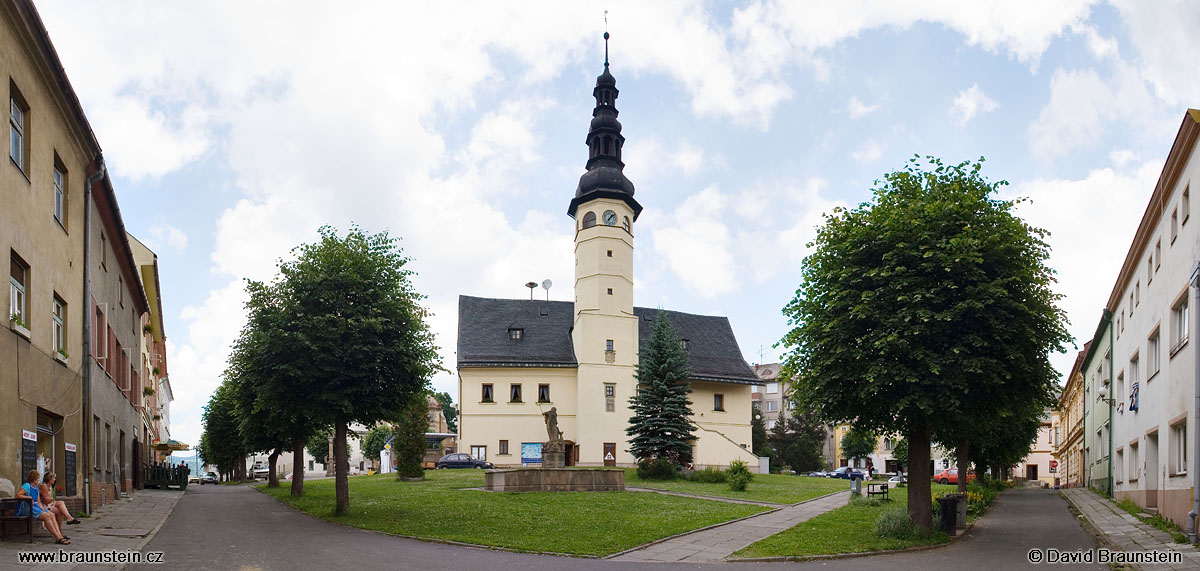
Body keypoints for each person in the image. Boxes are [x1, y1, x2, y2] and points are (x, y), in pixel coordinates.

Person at [15, 470, 69, 544]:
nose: (38, 480)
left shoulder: (36, 488)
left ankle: (60, 536)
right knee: (46, 516)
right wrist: (29, 498)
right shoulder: (27, 485)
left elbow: (38, 501)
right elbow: (18, 495)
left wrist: (43, 510)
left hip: (35, 507)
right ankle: (57, 537)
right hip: (26, 508)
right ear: (34, 479)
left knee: (51, 515)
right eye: (37, 479)